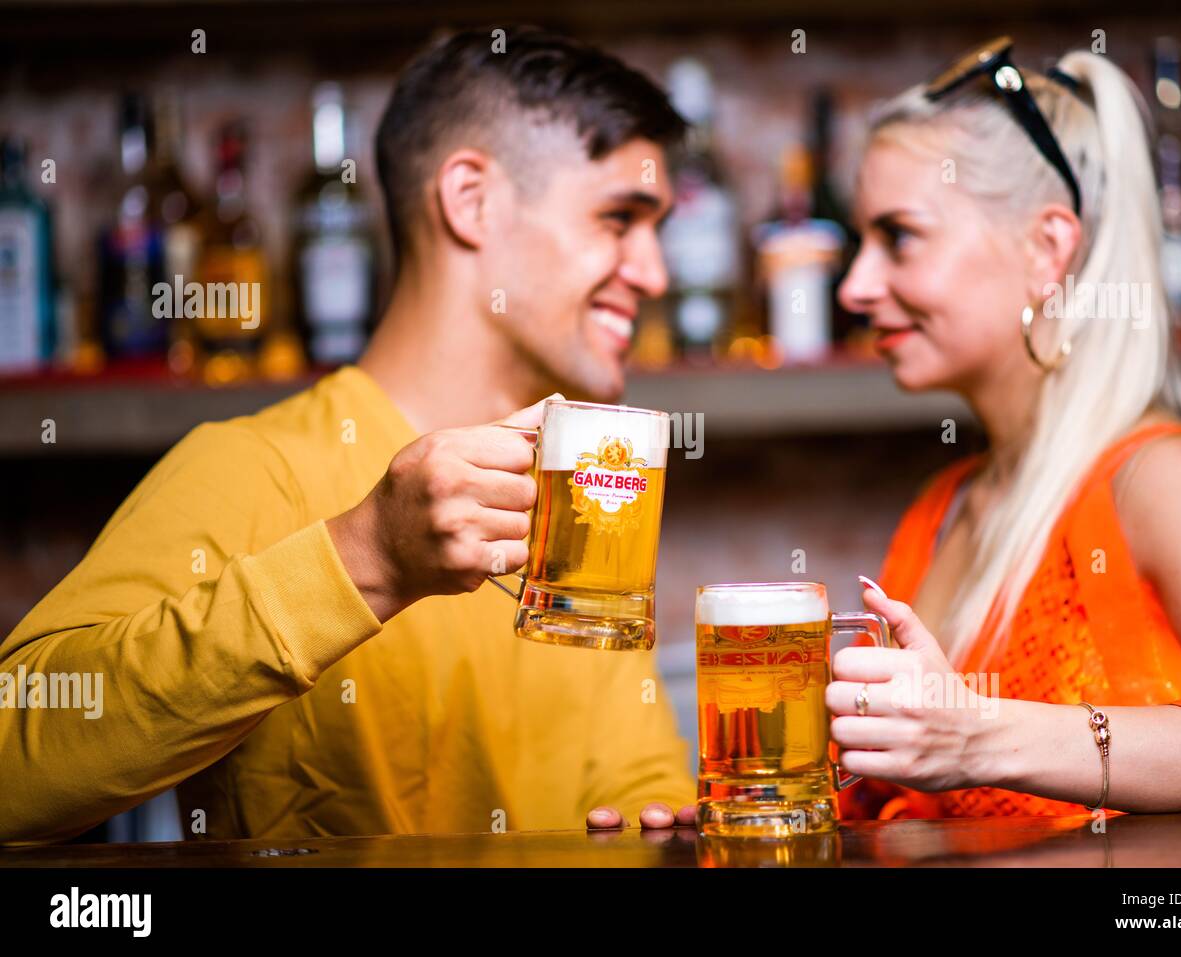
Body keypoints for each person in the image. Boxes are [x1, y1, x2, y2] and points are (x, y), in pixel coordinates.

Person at [0, 26, 698, 845]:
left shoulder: (584, 499)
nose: (657, 274)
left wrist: (659, 824)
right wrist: (366, 555)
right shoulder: (252, 466)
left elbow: (635, 777)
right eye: (621, 219)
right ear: (471, 201)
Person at [826, 38, 1181, 821]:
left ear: (1048, 247)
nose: (856, 285)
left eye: (899, 236)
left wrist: (980, 739)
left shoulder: (1163, 480)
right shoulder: (944, 507)